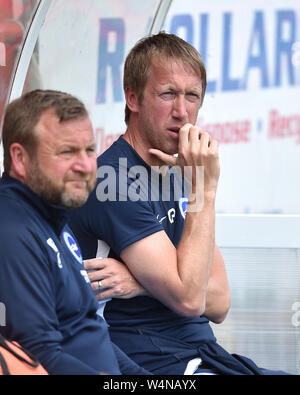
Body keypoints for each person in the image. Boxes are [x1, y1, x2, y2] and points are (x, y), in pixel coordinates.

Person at [69, 32, 289, 375]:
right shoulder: (112, 179)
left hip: (204, 353)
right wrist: (206, 190)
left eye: (192, 96)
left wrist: (141, 285)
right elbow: (190, 299)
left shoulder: (179, 170)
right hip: (154, 361)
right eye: (167, 94)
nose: (182, 111)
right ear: (133, 98)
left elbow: (219, 302)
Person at [0, 89, 151, 375]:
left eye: (90, 150)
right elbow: (38, 357)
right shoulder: (11, 232)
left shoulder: (54, 217)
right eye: (67, 152)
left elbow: (89, 331)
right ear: (20, 159)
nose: (85, 166)